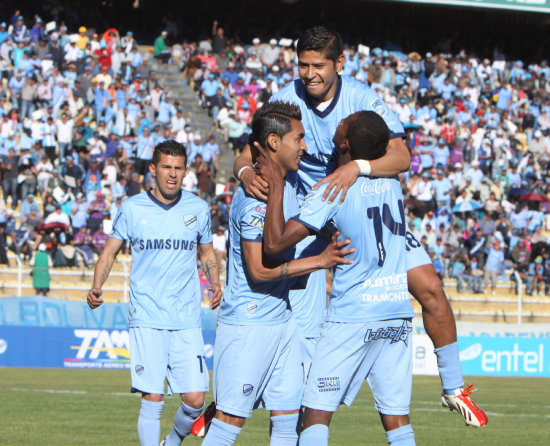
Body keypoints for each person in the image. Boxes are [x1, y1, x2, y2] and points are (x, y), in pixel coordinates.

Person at [233, 25, 486, 427]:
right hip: (307, 206)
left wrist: (355, 167)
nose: (309, 74)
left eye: (318, 65)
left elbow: (402, 157)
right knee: (280, 298)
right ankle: (240, 392)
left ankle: (454, 387)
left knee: (430, 287)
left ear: (340, 64)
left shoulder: (361, 100)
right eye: (303, 65)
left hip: (356, 206)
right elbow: (248, 152)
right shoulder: (285, 99)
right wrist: (246, 171)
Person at [257, 110, 416, 446]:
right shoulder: (391, 180)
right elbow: (397, 159)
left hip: (353, 315)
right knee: (397, 418)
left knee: (315, 413)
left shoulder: (330, 190)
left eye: (345, 122)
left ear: (344, 142)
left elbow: (274, 245)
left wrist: (274, 186)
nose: (339, 119)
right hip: (396, 311)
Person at [201, 102, 354, 446]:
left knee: (287, 420)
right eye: (298, 139)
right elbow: (258, 271)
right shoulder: (256, 198)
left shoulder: (288, 186)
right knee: (228, 424)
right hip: (248, 326)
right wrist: (320, 261)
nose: (305, 146)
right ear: (273, 142)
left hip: (283, 321)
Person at [87, 139, 222, 446]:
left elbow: (208, 254)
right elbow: (109, 253)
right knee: (153, 395)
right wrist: (97, 286)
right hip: (146, 314)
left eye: (178, 168)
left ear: (186, 171)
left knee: (196, 400)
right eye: (166, 167)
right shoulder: (132, 208)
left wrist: (215, 282)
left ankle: (171, 441)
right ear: (153, 169)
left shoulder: (198, 208)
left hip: (186, 316)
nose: (172, 174)